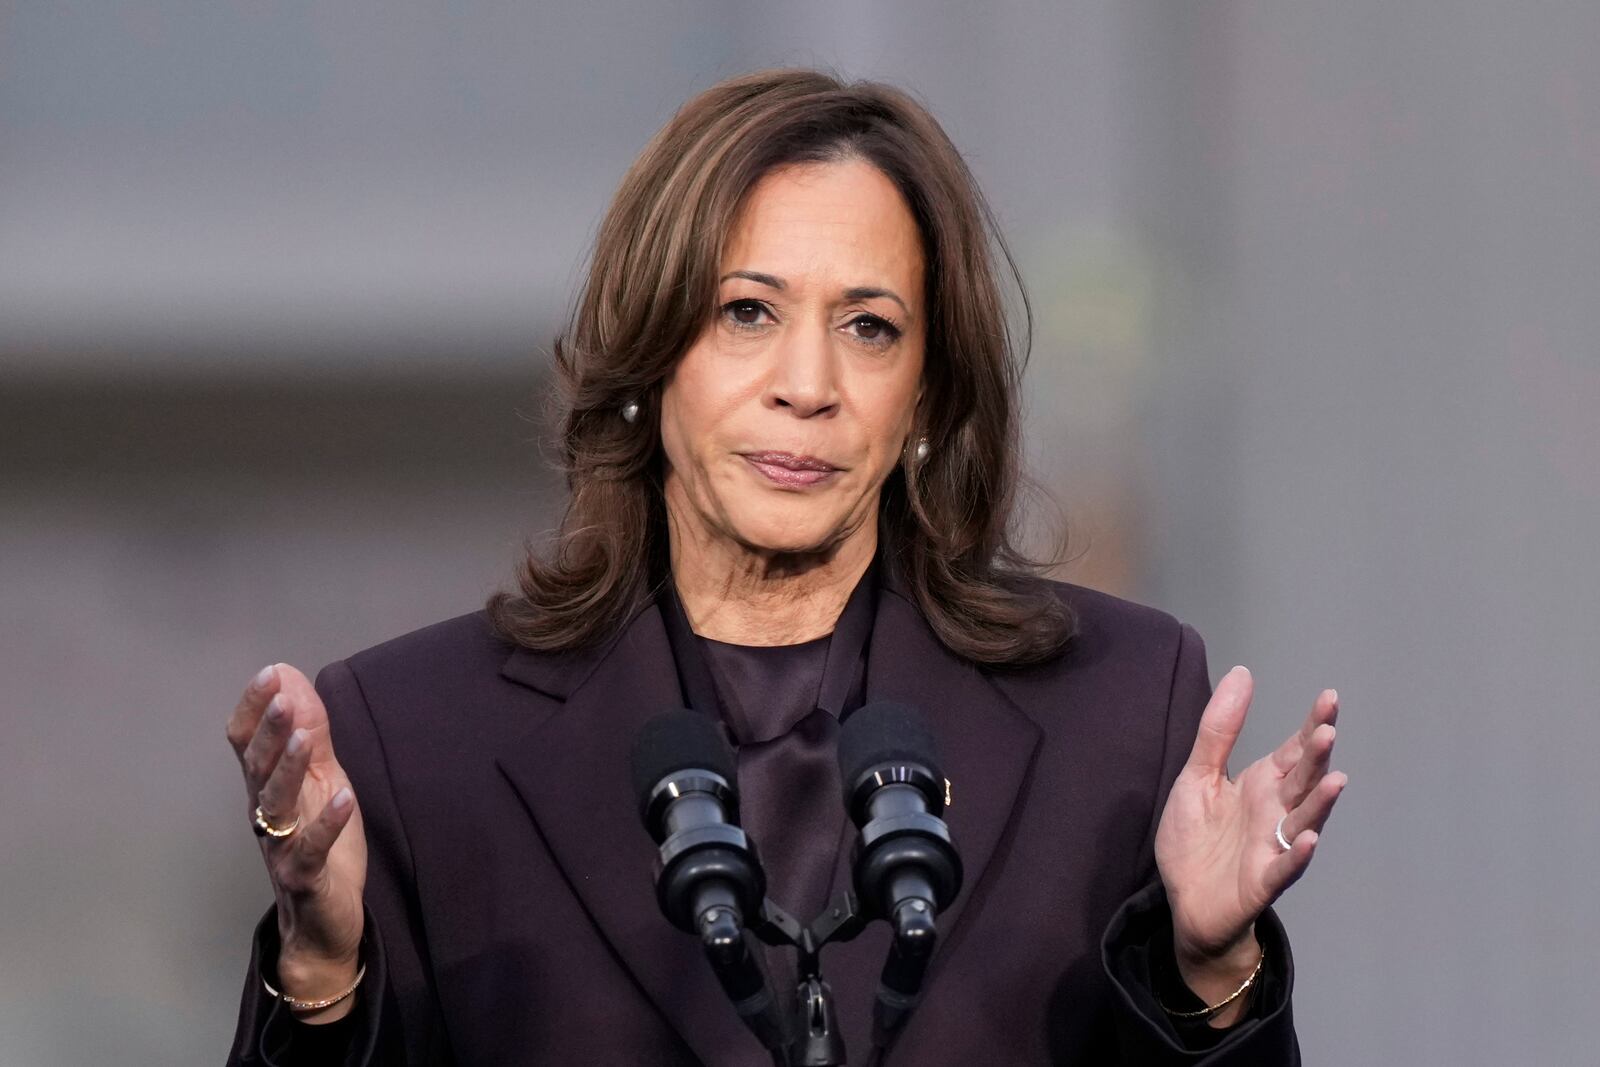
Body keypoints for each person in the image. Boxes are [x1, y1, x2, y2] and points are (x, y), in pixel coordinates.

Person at [223, 68, 1345, 1066]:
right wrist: (321, 976)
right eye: (747, 312)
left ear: (926, 392)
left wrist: (1210, 972)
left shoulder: (1118, 710)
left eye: (868, 327)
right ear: (647, 351)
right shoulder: (419, 738)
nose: (806, 382)